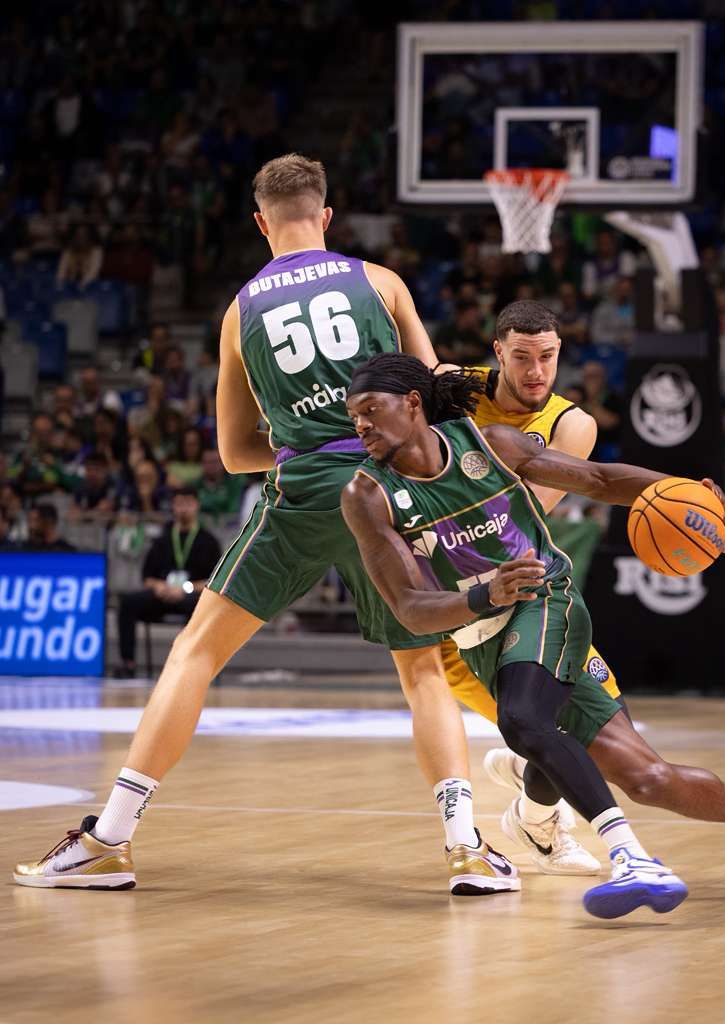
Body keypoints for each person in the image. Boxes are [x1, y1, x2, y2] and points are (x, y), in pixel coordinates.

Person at [14, 153, 506, 897]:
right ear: (327, 216)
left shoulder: (241, 311)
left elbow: (234, 451)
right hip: (390, 490)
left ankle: (108, 840)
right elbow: (432, 402)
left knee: (195, 653)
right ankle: (467, 849)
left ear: (260, 223)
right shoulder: (382, 282)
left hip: (306, 489)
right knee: (421, 672)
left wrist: (299, 438)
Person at [341, 353, 725, 917]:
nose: (361, 426)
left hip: (549, 602)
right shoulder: (366, 497)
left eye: (370, 410)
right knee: (648, 778)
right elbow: (409, 608)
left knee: (522, 720)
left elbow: (597, 478)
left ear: (413, 404)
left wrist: (688, 492)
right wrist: (483, 596)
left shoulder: (490, 444)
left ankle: (632, 857)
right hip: (483, 636)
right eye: (354, 417)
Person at [115, 488, 222, 678]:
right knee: (128, 603)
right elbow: (147, 577)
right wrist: (159, 586)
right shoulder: (162, 539)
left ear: (196, 506)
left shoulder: (209, 541)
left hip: (190, 596)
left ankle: (193, 665)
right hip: (163, 594)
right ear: (173, 506)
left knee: (205, 608)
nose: (183, 509)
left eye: (188, 503)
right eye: (179, 503)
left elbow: (215, 580)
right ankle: (128, 663)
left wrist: (185, 589)